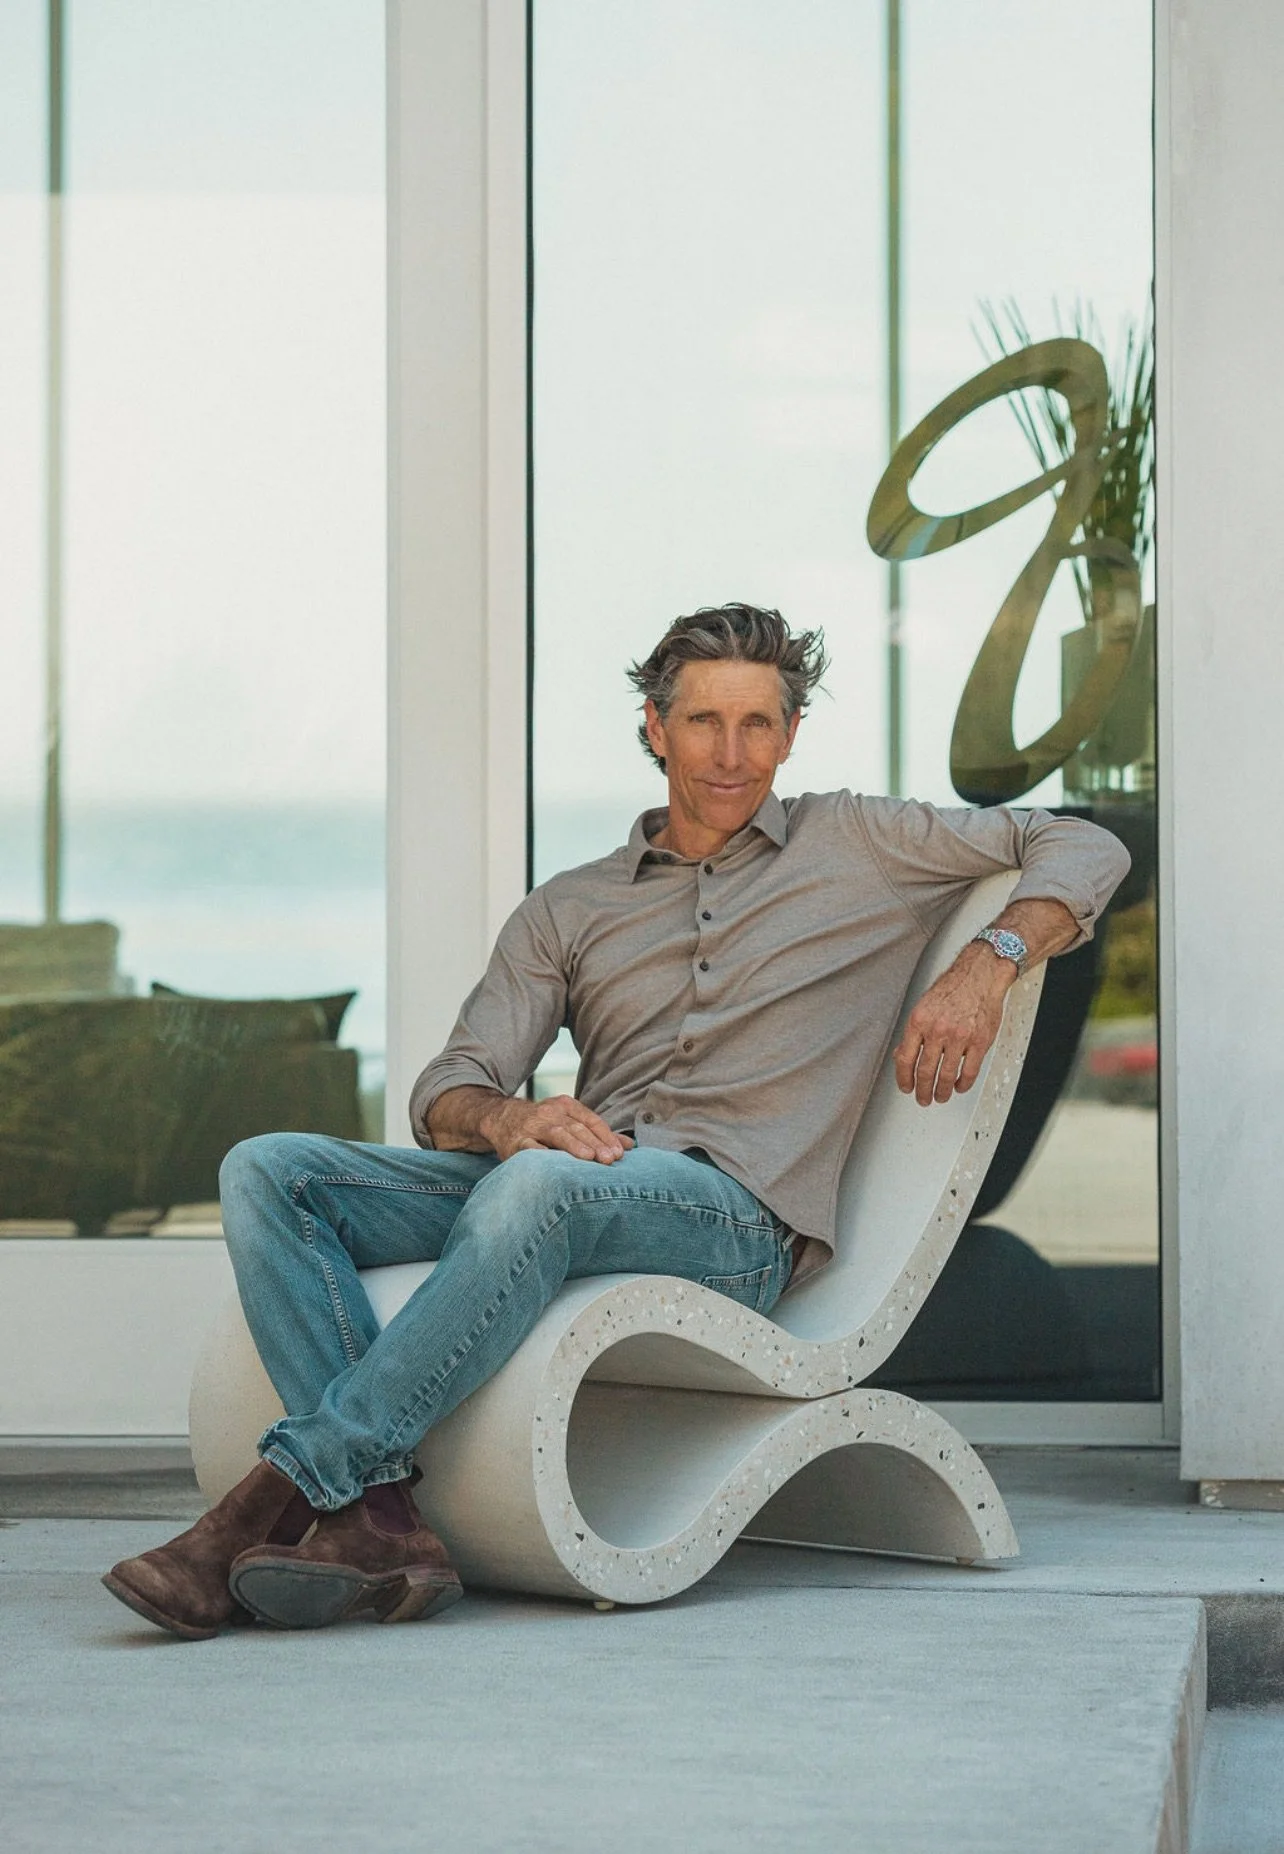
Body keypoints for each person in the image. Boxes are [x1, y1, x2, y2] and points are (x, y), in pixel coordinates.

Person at [102, 602, 1129, 1638]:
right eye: (702, 723)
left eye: (759, 725)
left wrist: (985, 962)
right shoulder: (570, 908)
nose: (733, 755)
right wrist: (508, 1118)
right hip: (570, 1178)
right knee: (269, 1170)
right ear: (653, 726)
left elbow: (1082, 842)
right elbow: (446, 1088)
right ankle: (376, 1516)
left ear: (791, 733)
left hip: (733, 1218)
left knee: (543, 1188)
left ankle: (267, 1503)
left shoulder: (861, 839)